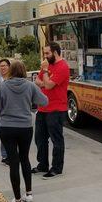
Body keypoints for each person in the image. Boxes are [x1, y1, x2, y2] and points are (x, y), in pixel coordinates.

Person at [0, 60, 48, 202]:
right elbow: (44, 101)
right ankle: (29, 194)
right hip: (25, 127)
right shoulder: (30, 86)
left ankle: (17, 200)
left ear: (11, 70)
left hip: (7, 128)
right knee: (25, 159)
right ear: (24, 71)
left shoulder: (2, 86)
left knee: (13, 161)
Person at [32, 42, 70, 179]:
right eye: (44, 53)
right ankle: (42, 164)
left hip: (56, 108)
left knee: (56, 140)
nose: (45, 56)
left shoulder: (63, 67)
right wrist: (45, 81)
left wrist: (46, 75)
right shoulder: (47, 64)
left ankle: (56, 168)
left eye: (47, 53)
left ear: (55, 52)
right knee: (39, 139)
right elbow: (37, 80)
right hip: (43, 107)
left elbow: (47, 85)